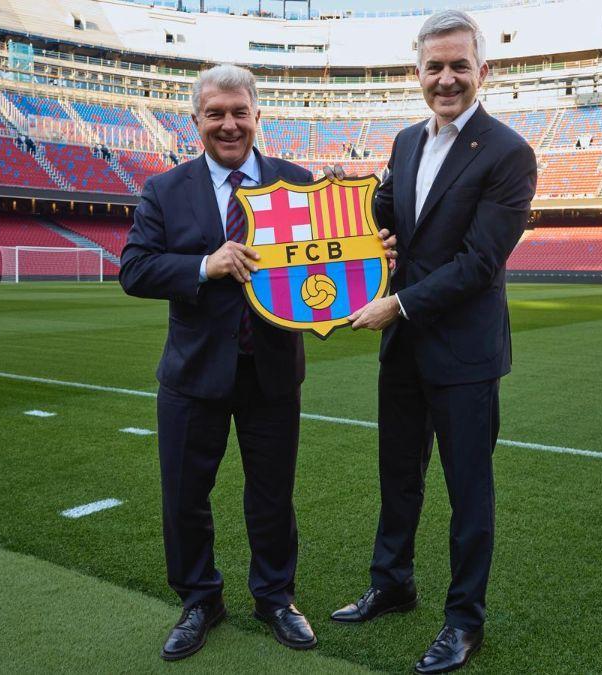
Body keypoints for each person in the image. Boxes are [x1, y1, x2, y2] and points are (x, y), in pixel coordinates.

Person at [120, 63, 397, 662]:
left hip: (272, 371)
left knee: (272, 495)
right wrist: (203, 265)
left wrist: (373, 256)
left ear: (256, 116)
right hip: (193, 375)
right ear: (195, 121)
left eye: (239, 112)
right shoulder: (164, 189)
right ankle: (200, 599)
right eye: (215, 113)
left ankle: (275, 597)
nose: (228, 124)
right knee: (185, 495)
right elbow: (134, 270)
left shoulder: (298, 183)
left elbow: (333, 260)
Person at [329, 10, 537, 674]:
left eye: (458, 65)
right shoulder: (404, 143)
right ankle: (392, 582)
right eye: (434, 67)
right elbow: (386, 215)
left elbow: (480, 263)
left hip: (464, 354)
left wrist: (399, 303)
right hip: (405, 352)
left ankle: (463, 620)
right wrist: (365, 230)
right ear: (415, 72)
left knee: (468, 491)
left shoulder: (508, 153)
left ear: (484, 70)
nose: (445, 79)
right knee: (399, 477)